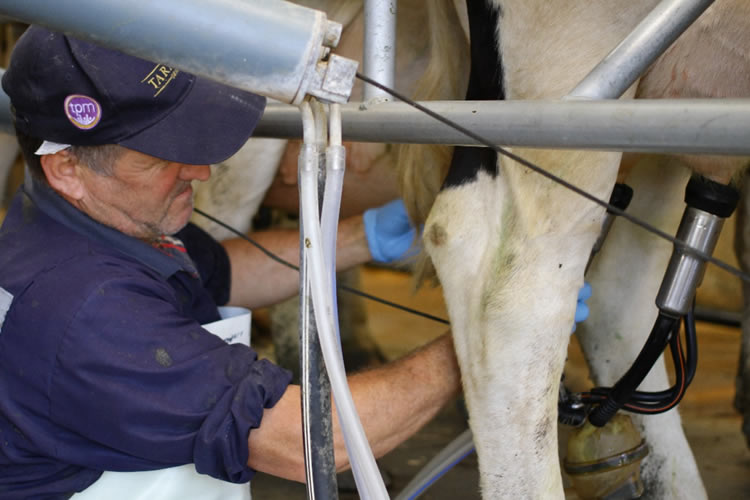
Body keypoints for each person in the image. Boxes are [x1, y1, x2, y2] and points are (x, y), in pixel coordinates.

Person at [0, 26, 589, 499]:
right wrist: (484, 339)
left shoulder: (71, 224)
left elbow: (223, 271)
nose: (201, 171)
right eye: (162, 157)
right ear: (68, 169)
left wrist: (371, 236)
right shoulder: (85, 310)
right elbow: (314, 441)